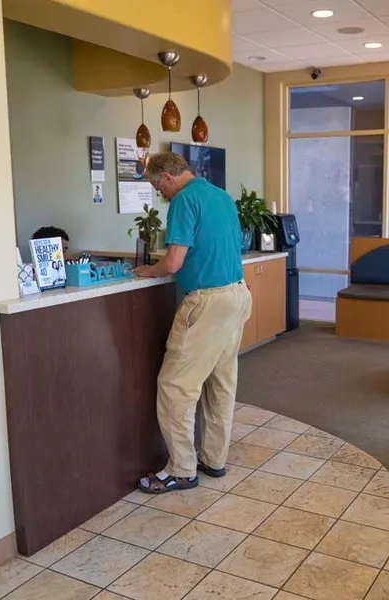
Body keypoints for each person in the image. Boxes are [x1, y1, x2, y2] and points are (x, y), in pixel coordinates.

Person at [134, 152, 252, 494]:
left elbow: (173, 262)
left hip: (208, 301)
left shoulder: (184, 200)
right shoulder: (220, 195)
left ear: (168, 178)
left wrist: (148, 269)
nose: (159, 193)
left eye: (158, 186)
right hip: (238, 293)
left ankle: (182, 469)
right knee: (221, 382)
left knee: (174, 386)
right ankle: (214, 459)